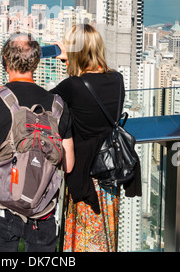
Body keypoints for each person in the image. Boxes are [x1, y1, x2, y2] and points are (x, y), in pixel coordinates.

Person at [0, 32, 74, 253]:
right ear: (35, 62)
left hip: (2, 206)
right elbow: (68, 165)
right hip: (43, 209)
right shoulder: (58, 106)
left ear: (5, 62)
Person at [50, 24, 141, 253]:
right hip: (111, 169)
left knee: (84, 237)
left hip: (84, 172)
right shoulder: (118, 79)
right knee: (106, 234)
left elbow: (44, 106)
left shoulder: (72, 86)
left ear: (74, 52)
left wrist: (66, 62)